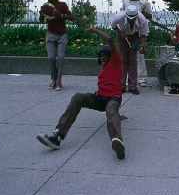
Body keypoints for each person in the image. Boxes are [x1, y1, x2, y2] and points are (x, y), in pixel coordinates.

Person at [37, 24, 126, 159]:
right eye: (100, 55)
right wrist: (118, 116)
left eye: (105, 55)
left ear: (110, 56)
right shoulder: (102, 72)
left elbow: (109, 39)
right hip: (100, 98)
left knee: (111, 108)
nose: (102, 57)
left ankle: (117, 141)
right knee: (78, 97)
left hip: (113, 98)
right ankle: (58, 136)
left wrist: (93, 29)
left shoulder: (115, 62)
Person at [39, 0, 74, 91]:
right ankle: (53, 80)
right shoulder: (45, 6)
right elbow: (41, 21)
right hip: (50, 34)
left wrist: (61, 15)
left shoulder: (62, 5)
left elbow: (71, 17)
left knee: (61, 58)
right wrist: (41, 15)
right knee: (51, 58)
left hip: (61, 34)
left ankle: (58, 82)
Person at [110, 5, 149, 95]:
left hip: (134, 36)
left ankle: (132, 86)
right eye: (129, 18)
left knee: (132, 60)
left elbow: (143, 35)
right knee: (123, 60)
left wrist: (142, 46)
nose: (131, 20)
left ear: (136, 16)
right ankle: (122, 86)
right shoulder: (119, 16)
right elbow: (113, 25)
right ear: (126, 15)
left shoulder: (142, 20)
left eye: (133, 18)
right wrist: (120, 32)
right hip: (121, 36)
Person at [122, 0, 152, 87]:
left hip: (140, 31)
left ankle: (142, 78)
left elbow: (150, 16)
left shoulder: (145, 3)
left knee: (140, 54)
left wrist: (143, 10)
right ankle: (127, 79)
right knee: (129, 55)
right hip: (129, 31)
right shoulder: (126, 2)